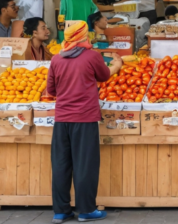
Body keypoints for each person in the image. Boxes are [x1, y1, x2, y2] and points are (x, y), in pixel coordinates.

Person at [47, 21, 123, 223]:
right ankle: (87, 210)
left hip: (62, 119)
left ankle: (61, 211)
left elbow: (51, 91)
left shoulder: (56, 59)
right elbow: (104, 75)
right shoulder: (92, 56)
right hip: (85, 118)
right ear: (83, 36)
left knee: (61, 164)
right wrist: (116, 65)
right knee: (85, 165)